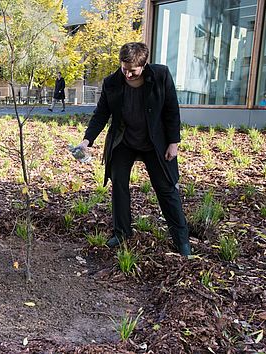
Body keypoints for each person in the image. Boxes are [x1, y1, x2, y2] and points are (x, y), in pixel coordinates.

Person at [76, 42, 191, 256]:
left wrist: (173, 143)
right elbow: (101, 114)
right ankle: (122, 232)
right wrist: (86, 141)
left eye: (133, 71)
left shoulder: (160, 75)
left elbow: (171, 109)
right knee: (119, 185)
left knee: (166, 188)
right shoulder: (112, 82)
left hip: (155, 142)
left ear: (144, 65)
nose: (128, 74)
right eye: (124, 69)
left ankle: (181, 239)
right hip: (124, 141)